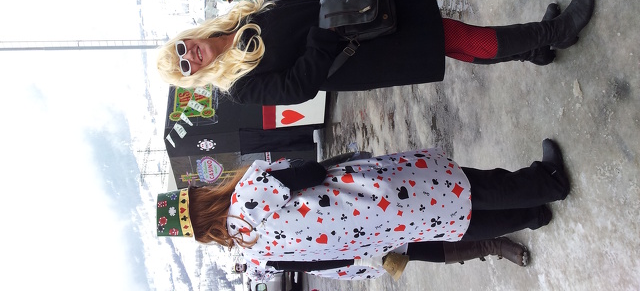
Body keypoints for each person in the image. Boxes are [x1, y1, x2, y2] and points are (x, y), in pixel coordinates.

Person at [156, 0, 595, 105]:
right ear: (194, 77)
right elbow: (298, 87)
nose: (190, 55)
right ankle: (556, 32)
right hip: (363, 51)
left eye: (181, 49)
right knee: (456, 37)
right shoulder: (239, 87)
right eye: (186, 66)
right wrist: (324, 32)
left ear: (186, 37)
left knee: (450, 38)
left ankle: (534, 49)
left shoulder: (239, 19)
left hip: (361, 17)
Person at [156, 139, 570, 280]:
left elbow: (321, 265)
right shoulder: (247, 193)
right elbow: (312, 171)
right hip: (374, 194)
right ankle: (549, 182)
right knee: (466, 188)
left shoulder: (255, 255)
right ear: (202, 198)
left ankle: (533, 216)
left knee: (458, 222)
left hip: (379, 236)